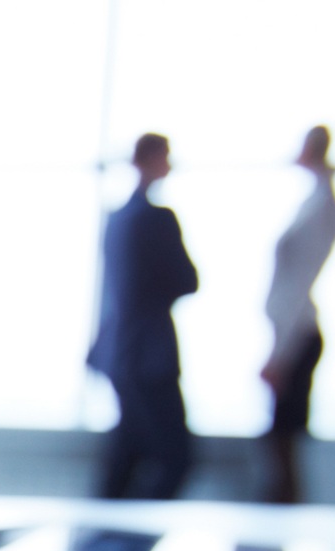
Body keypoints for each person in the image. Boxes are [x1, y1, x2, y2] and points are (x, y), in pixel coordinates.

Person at [87, 134, 199, 500]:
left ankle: (106, 529)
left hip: (119, 352)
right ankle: (130, 530)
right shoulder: (156, 219)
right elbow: (187, 280)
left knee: (127, 455)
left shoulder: (118, 219)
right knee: (175, 458)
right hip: (150, 354)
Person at [260, 126, 335, 504]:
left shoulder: (323, 206)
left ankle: (285, 518)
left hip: (297, 336)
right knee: (279, 441)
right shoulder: (315, 200)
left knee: (283, 442)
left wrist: (280, 355)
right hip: (291, 333)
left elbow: (299, 282)